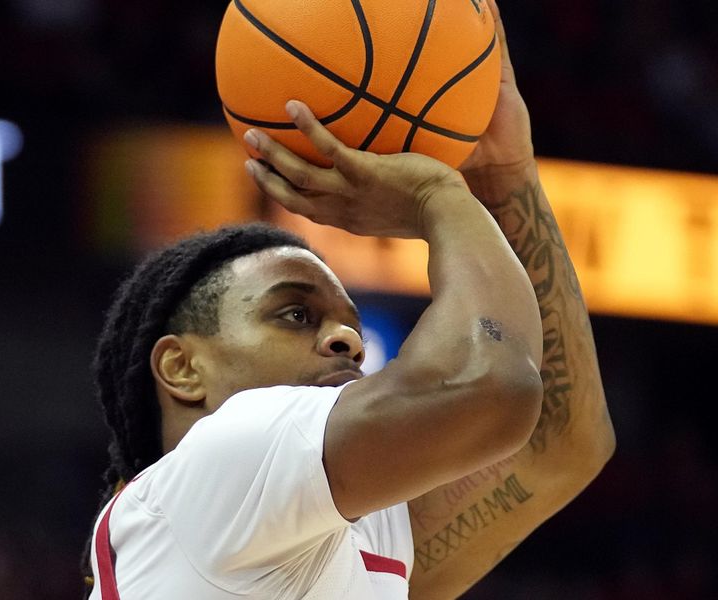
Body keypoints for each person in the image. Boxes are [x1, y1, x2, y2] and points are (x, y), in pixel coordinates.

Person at [82, 1, 615, 597]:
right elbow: (493, 389)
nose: (348, 340)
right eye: (294, 314)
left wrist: (502, 171)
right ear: (183, 368)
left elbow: (557, 441)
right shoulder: (226, 459)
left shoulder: (330, 534)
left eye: (347, 322)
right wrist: (438, 195)